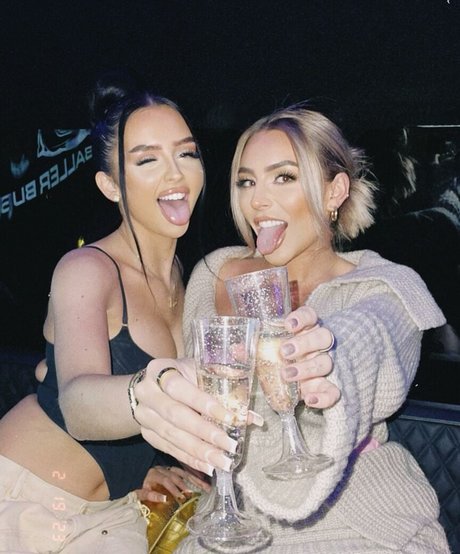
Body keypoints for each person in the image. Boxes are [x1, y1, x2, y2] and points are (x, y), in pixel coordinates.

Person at [0, 79, 339, 553]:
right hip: (23, 495)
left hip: (112, 513)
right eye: (147, 160)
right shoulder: (86, 269)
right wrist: (150, 389)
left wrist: (144, 464)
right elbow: (75, 401)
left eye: (186, 153)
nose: (175, 173)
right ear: (111, 185)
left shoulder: (194, 279)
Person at [176, 105, 450, 552]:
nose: (257, 201)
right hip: (232, 517)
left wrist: (329, 354)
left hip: (356, 512)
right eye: (246, 182)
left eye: (283, 177)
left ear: (334, 191)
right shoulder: (214, 275)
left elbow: (371, 336)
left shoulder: (384, 286)